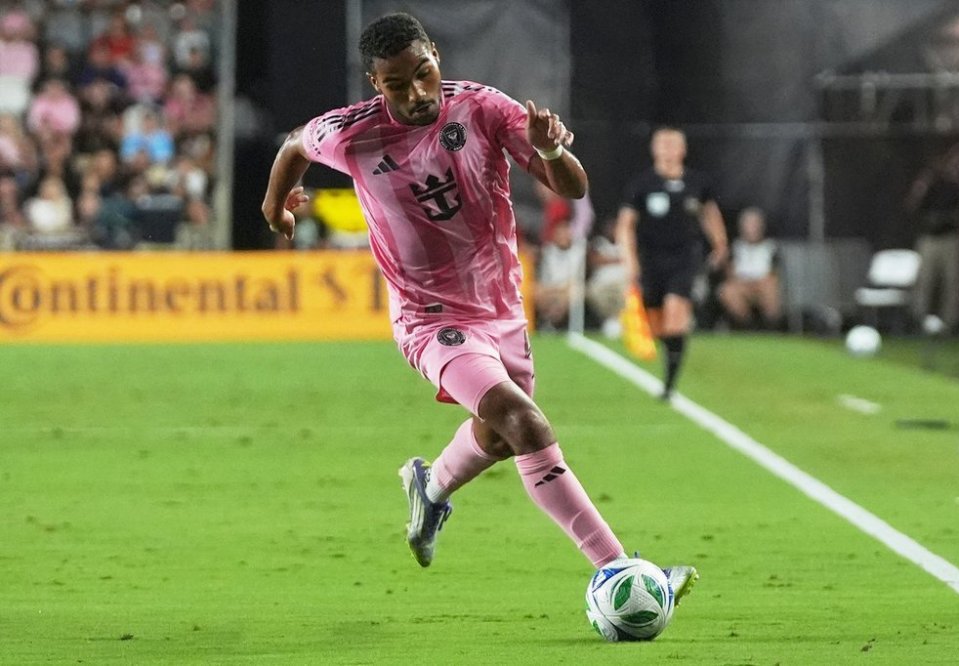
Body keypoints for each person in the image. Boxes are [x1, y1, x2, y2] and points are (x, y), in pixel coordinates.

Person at [261, 12, 697, 601]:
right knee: (525, 423)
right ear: (374, 84)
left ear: (436, 54)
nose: (416, 92)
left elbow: (571, 186)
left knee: (496, 437)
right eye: (396, 84)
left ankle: (431, 486)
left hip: (502, 310)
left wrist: (549, 150)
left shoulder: (484, 108)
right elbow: (293, 144)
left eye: (423, 72)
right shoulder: (352, 134)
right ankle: (616, 570)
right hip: (430, 320)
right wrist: (275, 205)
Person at [616, 126, 728, 399]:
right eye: (662, 144)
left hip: (685, 257)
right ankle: (671, 349)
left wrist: (720, 244)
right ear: (654, 149)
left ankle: (668, 386)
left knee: (676, 313)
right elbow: (625, 225)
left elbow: (710, 215)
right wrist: (629, 260)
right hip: (651, 259)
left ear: (682, 149)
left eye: (672, 144)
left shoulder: (697, 184)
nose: (667, 150)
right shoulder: (642, 185)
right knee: (656, 325)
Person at [906, 157, 959, 334]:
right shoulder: (926, 187)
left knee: (951, 280)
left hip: (949, 238)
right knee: (924, 280)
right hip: (929, 239)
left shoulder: (952, 187)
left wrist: (944, 218)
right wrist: (920, 188)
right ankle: (919, 320)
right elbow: (911, 206)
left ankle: (949, 323)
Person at [717, 207, 782, 330]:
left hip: (763, 284)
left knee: (771, 286)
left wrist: (759, 282)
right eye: (748, 225)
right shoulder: (735, 247)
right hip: (741, 285)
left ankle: (771, 326)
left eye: (755, 225)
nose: (752, 229)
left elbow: (775, 273)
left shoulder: (770, 247)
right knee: (727, 291)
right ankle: (747, 326)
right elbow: (729, 272)